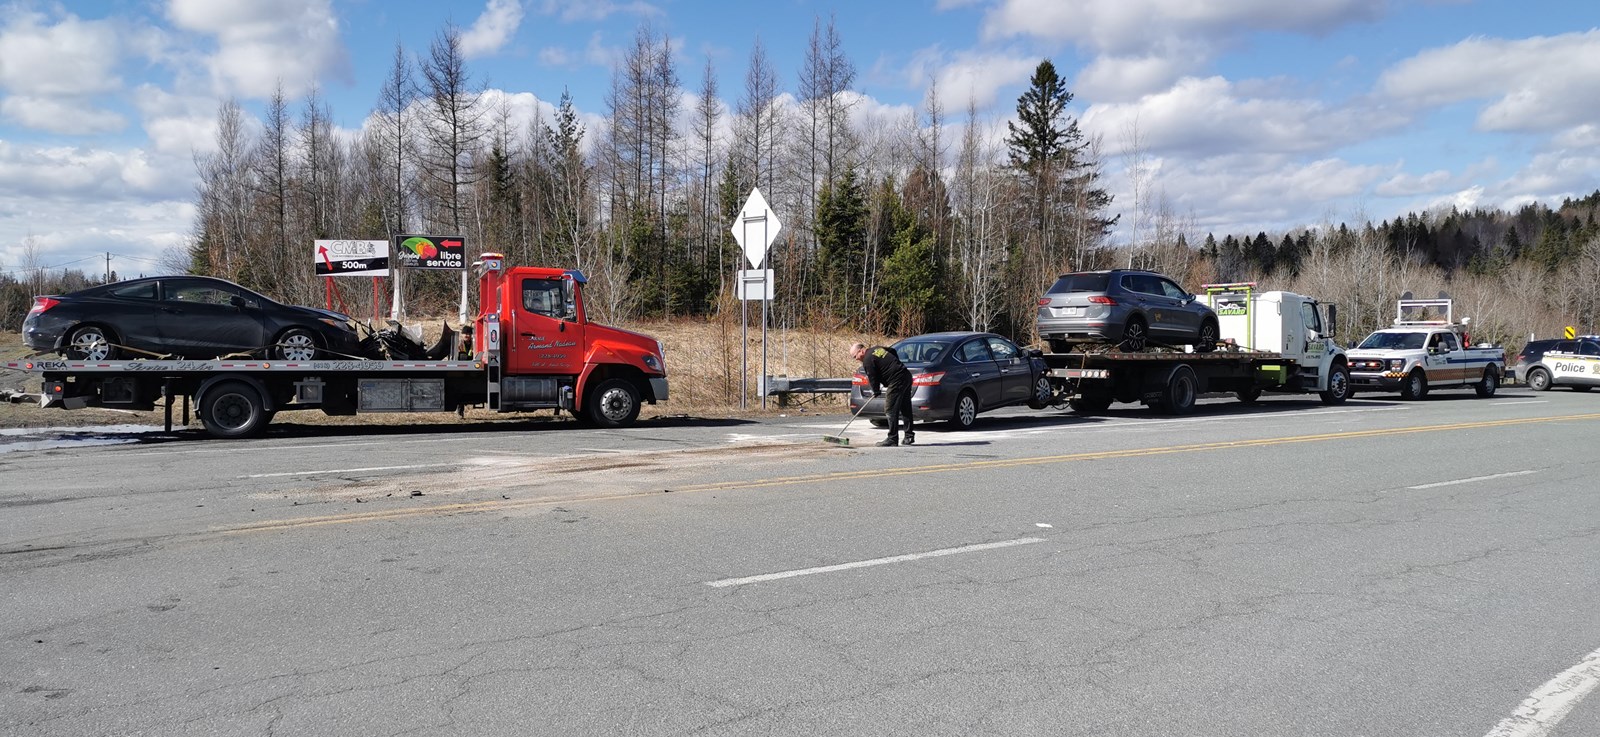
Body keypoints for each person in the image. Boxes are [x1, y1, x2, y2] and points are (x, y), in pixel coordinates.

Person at [850, 342, 914, 446]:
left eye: (855, 356)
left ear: (861, 351)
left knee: (890, 409)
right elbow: (893, 351)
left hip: (896, 380)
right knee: (905, 407)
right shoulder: (876, 349)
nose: (856, 359)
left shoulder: (867, 360)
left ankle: (892, 438)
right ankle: (909, 436)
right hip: (905, 375)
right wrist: (895, 364)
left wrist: (875, 391)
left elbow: (872, 377)